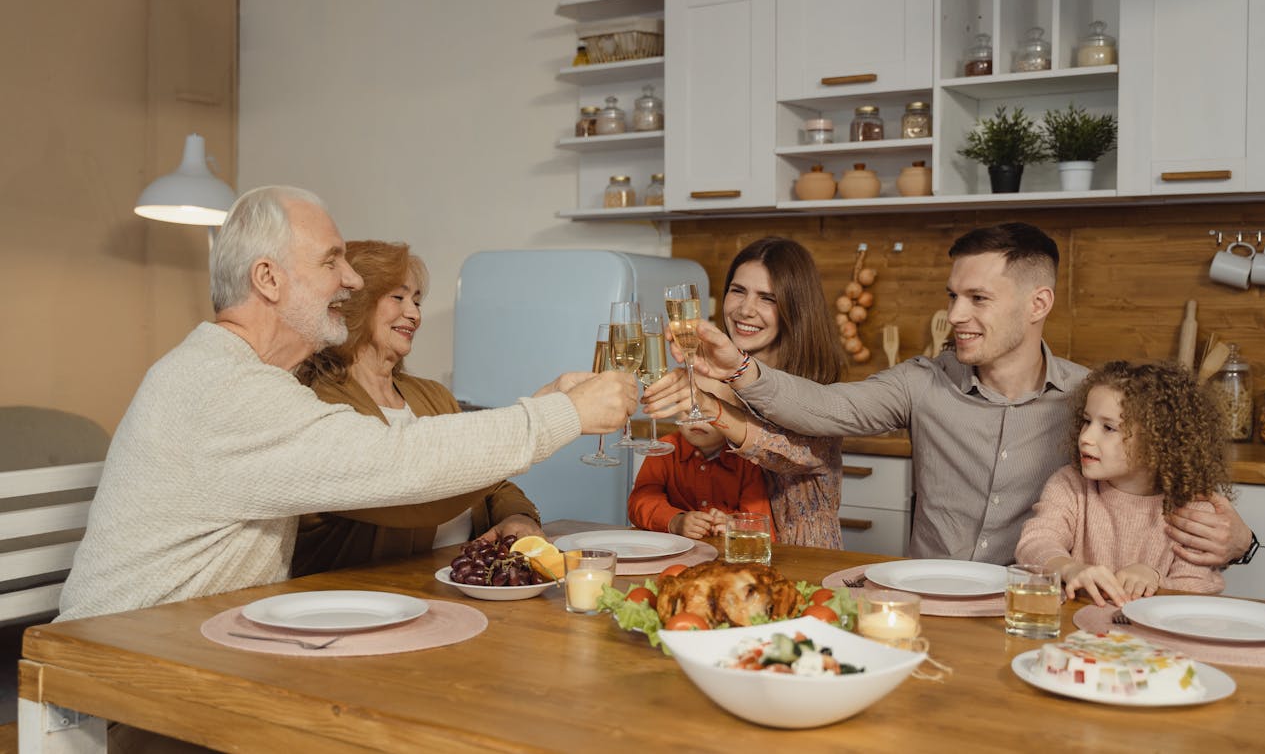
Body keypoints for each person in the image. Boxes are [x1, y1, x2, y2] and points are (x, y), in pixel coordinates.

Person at [58, 186, 635, 622]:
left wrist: (544, 406)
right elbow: (395, 462)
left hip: (187, 643)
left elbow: (407, 454)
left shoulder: (244, 378)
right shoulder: (223, 388)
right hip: (121, 668)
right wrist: (564, 415)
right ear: (268, 279)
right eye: (331, 261)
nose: (353, 279)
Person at [676, 222, 1253, 566]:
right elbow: (826, 409)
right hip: (927, 603)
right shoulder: (921, 381)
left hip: (1036, 610)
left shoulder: (1090, 401)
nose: (954, 315)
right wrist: (741, 368)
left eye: (977, 299)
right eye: (953, 296)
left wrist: (1241, 540)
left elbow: (1166, 491)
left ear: (1038, 304)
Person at [291, 240, 543, 576]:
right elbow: (411, 492)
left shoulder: (433, 395)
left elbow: (491, 482)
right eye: (398, 297)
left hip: (455, 588)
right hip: (364, 601)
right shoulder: (319, 403)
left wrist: (517, 517)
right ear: (354, 302)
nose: (414, 313)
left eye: (417, 301)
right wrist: (542, 420)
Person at [646, 237, 847, 548]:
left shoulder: (820, 391)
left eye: (768, 298)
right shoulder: (714, 374)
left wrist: (710, 407)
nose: (745, 309)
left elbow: (785, 452)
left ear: (795, 308)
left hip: (804, 563)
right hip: (730, 561)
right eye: (738, 291)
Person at [1016, 361, 1232, 605]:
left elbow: (1195, 592)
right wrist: (1068, 568)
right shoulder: (1070, 485)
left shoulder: (1194, 510)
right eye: (1087, 421)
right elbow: (1036, 542)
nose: (1085, 437)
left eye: (1109, 428)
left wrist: (1154, 578)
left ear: (1158, 442)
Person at [626, 420, 774, 541]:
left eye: (707, 412)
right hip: (674, 552)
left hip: (728, 557)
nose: (695, 420)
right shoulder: (663, 449)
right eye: (686, 410)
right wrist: (675, 521)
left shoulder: (747, 459)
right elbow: (640, 502)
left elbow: (760, 520)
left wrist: (734, 525)